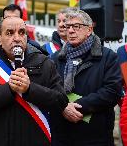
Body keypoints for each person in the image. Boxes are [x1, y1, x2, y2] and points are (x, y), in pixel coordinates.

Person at [0, 16, 68, 146]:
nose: (17, 38)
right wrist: (8, 89)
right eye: (9, 33)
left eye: (21, 32)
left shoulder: (45, 63)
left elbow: (61, 101)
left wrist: (29, 89)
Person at [51, 9, 122, 146]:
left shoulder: (107, 57)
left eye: (76, 26)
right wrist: (63, 107)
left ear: (89, 30)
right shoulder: (55, 58)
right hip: (62, 135)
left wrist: (78, 106)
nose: (70, 31)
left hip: (96, 136)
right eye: (67, 26)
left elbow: (112, 91)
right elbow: (49, 88)